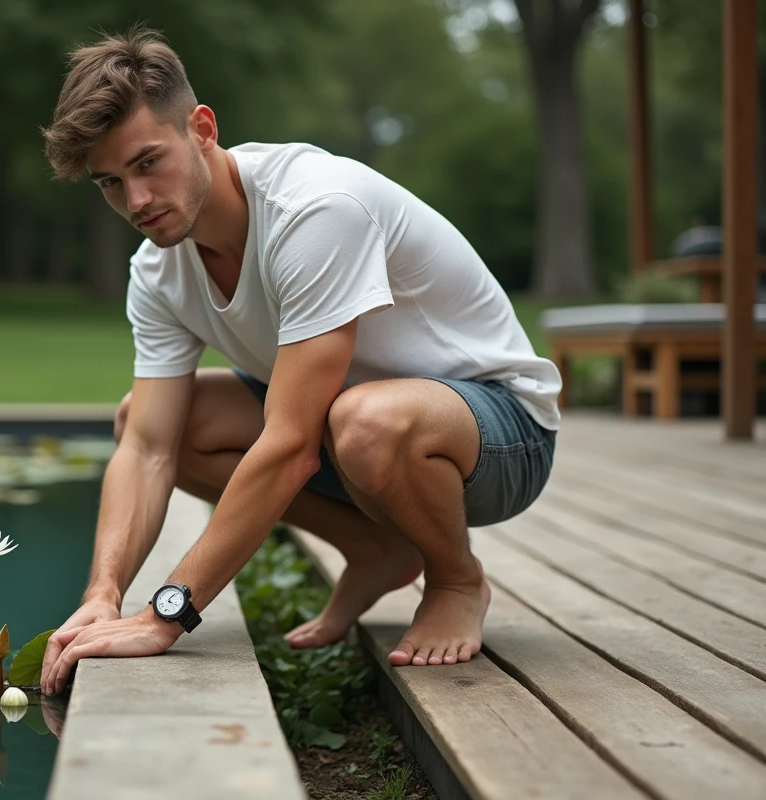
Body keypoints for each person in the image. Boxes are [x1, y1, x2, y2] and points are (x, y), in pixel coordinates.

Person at [38, 28, 560, 696]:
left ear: (202, 129)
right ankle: (377, 549)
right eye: (111, 182)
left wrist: (165, 613)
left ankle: (457, 579)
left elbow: (289, 446)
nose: (136, 200)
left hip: (502, 432)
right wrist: (104, 595)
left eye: (148, 163)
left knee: (365, 422)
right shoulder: (158, 272)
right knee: (147, 417)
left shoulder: (314, 211)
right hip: (353, 433)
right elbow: (146, 449)